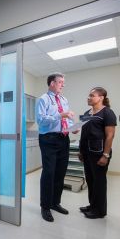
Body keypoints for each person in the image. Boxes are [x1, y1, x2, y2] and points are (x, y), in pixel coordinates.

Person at [35, 73, 77, 222]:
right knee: (49, 172)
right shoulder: (43, 99)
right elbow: (41, 120)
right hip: (49, 139)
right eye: (60, 82)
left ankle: (55, 203)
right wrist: (60, 115)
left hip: (63, 138)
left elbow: (67, 119)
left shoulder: (64, 100)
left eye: (63, 82)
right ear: (52, 83)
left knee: (60, 172)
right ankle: (45, 207)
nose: (62, 85)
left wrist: (73, 127)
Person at [78, 87, 116, 219]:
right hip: (87, 153)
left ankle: (99, 211)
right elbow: (83, 133)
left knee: (99, 182)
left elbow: (110, 136)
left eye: (92, 95)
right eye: (88, 95)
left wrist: (105, 155)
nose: (88, 98)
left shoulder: (108, 113)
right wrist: (81, 151)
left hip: (99, 153)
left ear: (101, 98)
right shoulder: (86, 113)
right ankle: (92, 205)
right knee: (90, 180)